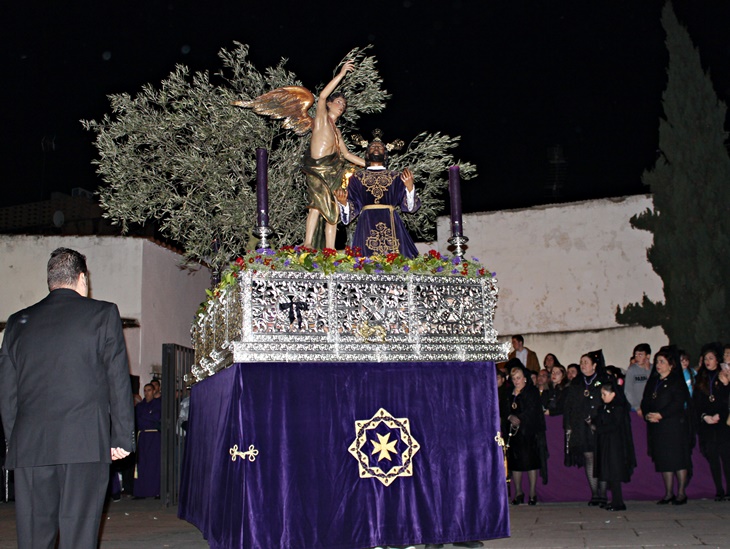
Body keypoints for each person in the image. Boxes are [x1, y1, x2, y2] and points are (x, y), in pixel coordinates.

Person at [0, 247, 134, 548]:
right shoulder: (102, 314)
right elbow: (117, 379)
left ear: (51, 281)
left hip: (30, 447)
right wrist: (122, 437)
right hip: (84, 443)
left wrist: (15, 439)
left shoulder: (17, 323)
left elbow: (7, 393)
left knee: (34, 540)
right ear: (82, 278)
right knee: (78, 538)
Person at [301, 60, 366, 250]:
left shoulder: (337, 132)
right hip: (317, 169)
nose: (341, 106)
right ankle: (308, 242)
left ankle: (330, 248)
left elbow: (345, 154)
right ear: (330, 104)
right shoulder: (321, 119)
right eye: (338, 102)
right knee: (315, 205)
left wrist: (371, 164)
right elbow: (321, 96)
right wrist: (342, 74)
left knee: (334, 209)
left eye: (343, 104)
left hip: (333, 171)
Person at [334, 137, 420, 257]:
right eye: (373, 146)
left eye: (380, 147)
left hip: (391, 221)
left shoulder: (396, 176)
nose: (376, 148)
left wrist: (410, 188)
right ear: (367, 154)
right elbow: (353, 206)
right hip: (366, 223)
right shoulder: (357, 178)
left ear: (385, 156)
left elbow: (410, 208)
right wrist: (343, 203)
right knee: (365, 260)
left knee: (399, 259)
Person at [640, 347, 692, 505]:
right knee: (664, 460)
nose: (658, 365)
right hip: (657, 427)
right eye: (657, 362)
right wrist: (649, 414)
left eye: (662, 362)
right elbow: (646, 400)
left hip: (674, 426)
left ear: (671, 365)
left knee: (677, 459)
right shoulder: (654, 381)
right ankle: (668, 493)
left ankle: (681, 493)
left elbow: (678, 403)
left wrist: (661, 414)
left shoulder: (676, 382)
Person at [563, 349, 612, 506]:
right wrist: (569, 425)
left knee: (602, 459)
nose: (583, 365)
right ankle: (595, 493)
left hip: (599, 427)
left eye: (586, 362)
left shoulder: (603, 380)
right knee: (589, 458)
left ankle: (604, 494)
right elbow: (569, 406)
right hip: (582, 428)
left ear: (594, 365)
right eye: (581, 362)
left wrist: (597, 420)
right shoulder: (576, 383)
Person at [502, 359, 547, 506]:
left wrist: (519, 418)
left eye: (519, 378)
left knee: (530, 462)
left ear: (525, 378)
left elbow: (533, 411)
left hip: (528, 432)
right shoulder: (509, 392)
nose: (516, 381)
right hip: (513, 434)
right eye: (514, 378)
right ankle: (519, 492)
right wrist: (510, 416)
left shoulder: (531, 391)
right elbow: (504, 409)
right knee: (515, 464)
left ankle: (533, 493)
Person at [692, 345, 730, 501]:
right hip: (707, 423)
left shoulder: (723, 375)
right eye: (705, 358)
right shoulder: (700, 377)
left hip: (722, 422)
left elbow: (725, 400)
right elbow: (696, 402)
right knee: (713, 457)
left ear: (717, 360)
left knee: (726, 457)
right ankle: (719, 490)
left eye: (711, 358)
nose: (708, 361)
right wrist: (705, 416)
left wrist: (726, 384)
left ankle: (729, 489)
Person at [593, 380, 636, 511]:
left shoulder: (618, 408)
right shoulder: (604, 407)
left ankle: (619, 502)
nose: (602, 397)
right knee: (609, 471)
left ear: (613, 394)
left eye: (605, 394)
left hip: (615, 445)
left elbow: (614, 425)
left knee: (615, 472)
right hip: (606, 443)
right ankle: (614, 500)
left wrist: (598, 428)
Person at [134, 383, 162, 499]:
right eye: (145, 390)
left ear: (154, 391)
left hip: (154, 437)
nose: (146, 393)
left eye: (149, 390)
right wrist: (149, 417)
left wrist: (147, 417)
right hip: (143, 437)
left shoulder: (158, 404)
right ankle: (141, 492)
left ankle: (155, 491)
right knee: (142, 463)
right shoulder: (140, 406)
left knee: (154, 464)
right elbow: (138, 421)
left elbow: (157, 418)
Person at [624, 343, 652, 414]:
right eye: (636, 355)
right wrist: (637, 407)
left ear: (647, 356)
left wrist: (648, 370)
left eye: (640, 355)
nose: (637, 357)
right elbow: (628, 390)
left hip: (651, 407)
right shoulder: (632, 370)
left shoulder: (654, 369)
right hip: (636, 408)